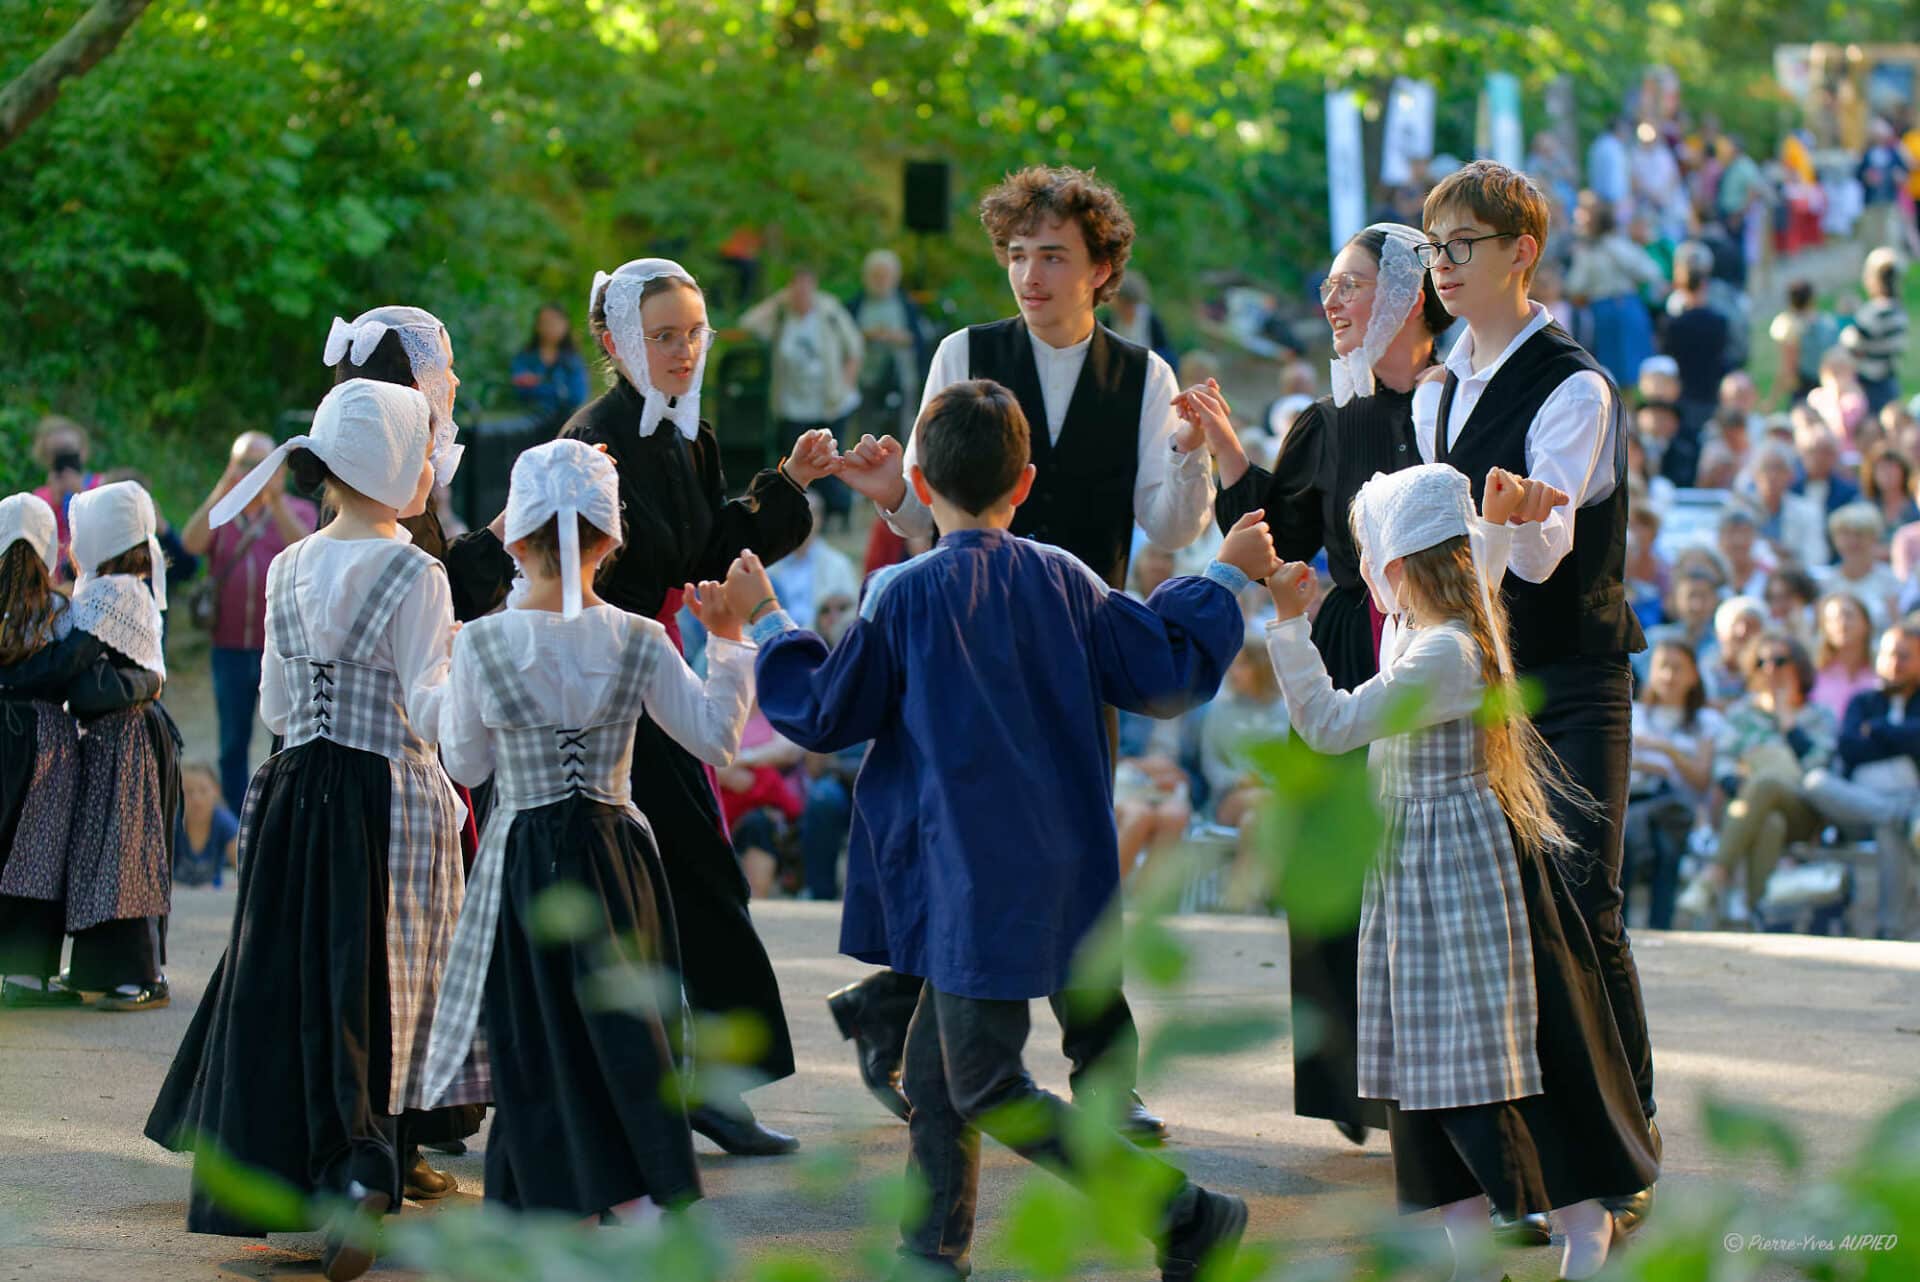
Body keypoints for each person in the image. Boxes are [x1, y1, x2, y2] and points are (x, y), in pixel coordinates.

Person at [752, 378, 1264, 1281]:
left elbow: (827, 712)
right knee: (941, 1075)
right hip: (1058, 862)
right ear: (1025, 482)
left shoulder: (897, 594)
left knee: (985, 1082)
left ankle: (1183, 1215)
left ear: (917, 473)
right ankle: (929, 1252)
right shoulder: (1067, 577)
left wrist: (768, 624)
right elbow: (1166, 671)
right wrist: (1221, 575)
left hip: (966, 876)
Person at [829, 165, 1216, 1139]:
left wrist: (1193, 449)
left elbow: (1169, 522)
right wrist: (888, 491)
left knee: (1081, 857)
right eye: (1016, 255)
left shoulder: (1144, 374)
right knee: (973, 851)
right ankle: (907, 1016)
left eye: (1053, 256)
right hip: (960, 644)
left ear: (1103, 268)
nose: (1030, 274)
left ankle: (1090, 1071)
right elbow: (930, 514)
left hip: (1080, 648)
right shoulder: (964, 349)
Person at [1265, 463, 1657, 1282]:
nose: (1368, 570)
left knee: (1475, 1075)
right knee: (1426, 1080)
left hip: (1455, 872)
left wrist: (1288, 623)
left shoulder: (1446, 650)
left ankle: (1582, 1233)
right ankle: (1477, 1256)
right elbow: (1472, 551)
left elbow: (1333, 725)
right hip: (1414, 868)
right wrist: (1498, 521)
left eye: (1376, 554)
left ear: (1400, 565)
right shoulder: (1427, 622)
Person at [145, 381, 474, 1276]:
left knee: (291, 984)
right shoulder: (417, 571)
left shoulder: (291, 566)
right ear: (404, 467)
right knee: (372, 984)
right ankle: (366, 1164)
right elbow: (435, 713)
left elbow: (280, 702)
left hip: (293, 789)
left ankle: (303, 1175)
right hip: (379, 793)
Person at [1411, 159, 1659, 1231]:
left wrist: (1512, 518)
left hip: (1574, 678)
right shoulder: (1436, 383)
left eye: (1460, 245)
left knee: (1585, 905)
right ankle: (1520, 1163)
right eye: (1433, 249)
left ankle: (1626, 1149)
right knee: (1496, 920)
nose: (1443, 267)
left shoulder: (1574, 383)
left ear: (1522, 252)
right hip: (1482, 683)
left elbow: (1550, 553)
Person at [420, 439, 755, 1221]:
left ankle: (544, 1195)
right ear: (610, 540)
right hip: (615, 852)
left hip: (525, 847)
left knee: (536, 1026)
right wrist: (732, 640)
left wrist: (435, 694)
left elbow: (466, 766)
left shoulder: (482, 642)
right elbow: (715, 739)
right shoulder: (641, 637)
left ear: (515, 539)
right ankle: (639, 1190)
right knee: (624, 1021)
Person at [562, 256, 838, 1155]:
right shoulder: (588, 441)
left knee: (700, 878)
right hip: (599, 683)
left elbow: (710, 548)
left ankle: (710, 1081)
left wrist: (788, 485)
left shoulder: (691, 434)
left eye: (694, 332)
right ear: (615, 343)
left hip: (655, 674)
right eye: (664, 337)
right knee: (625, 892)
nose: (684, 352)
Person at [1196, 221, 1449, 1149]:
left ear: (1404, 296)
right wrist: (1229, 453)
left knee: (1420, 872)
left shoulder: (1453, 403)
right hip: (1347, 642)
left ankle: (1431, 1085)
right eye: (1329, 286)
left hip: (1433, 650)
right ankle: (1348, 1080)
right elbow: (1284, 531)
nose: (1329, 302)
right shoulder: (1327, 417)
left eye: (1348, 286)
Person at [0, 494, 163, 1008]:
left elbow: (80, 665)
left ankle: (44, 974)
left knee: (73, 852)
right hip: (57, 742)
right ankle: (45, 974)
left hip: (103, 740)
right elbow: (70, 666)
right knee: (46, 856)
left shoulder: (102, 600)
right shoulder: (66, 607)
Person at [59, 481, 182, 1013]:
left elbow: (74, 662)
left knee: (126, 853)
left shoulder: (111, 592)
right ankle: (99, 968)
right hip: (121, 735)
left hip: (127, 738)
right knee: (105, 852)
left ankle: (140, 974)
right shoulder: (127, 586)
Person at [324, 305, 519, 623]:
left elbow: (435, 574)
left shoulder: (363, 474)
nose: (454, 382)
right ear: (418, 388)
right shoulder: (390, 489)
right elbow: (431, 600)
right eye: (447, 370)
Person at [180, 431, 319, 814]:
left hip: (283, 648)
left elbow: (308, 548)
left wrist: (274, 499)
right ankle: (238, 822)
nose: (252, 471)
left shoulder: (298, 510)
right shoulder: (225, 511)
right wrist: (225, 487)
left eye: (261, 462)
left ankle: (282, 817)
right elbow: (191, 545)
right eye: (244, 462)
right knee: (232, 742)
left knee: (288, 737)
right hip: (229, 649)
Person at [1678, 634, 1836, 926]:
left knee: (1766, 783)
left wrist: (1788, 722)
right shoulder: (1742, 714)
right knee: (1769, 822)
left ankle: (1713, 874)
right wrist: (1741, 785)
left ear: (1799, 667)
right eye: (1761, 662)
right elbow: (1723, 764)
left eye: (1779, 661)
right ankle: (1759, 918)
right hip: (1750, 807)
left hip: (1803, 809)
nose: (1770, 669)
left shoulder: (1819, 716)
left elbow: (1819, 765)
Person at [1801, 623, 1920, 939]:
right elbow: (1850, 747)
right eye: (1888, 654)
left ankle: (1889, 931)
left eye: (1905, 656)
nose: (1894, 663)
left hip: (1911, 801)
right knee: (1814, 781)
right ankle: (1901, 817)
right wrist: (1899, 738)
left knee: (1888, 825)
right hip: (1859, 805)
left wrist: (1877, 731)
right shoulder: (1862, 701)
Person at [740, 268, 866, 525]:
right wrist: (777, 301)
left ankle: (839, 512)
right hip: (793, 405)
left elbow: (854, 347)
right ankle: (801, 517)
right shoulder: (782, 315)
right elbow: (748, 323)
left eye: (806, 287)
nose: (801, 294)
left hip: (829, 402)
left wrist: (845, 384)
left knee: (831, 462)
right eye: (795, 289)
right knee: (797, 462)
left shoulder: (828, 310)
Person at [1626, 641, 1718, 930]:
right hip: (1637, 803)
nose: (1669, 676)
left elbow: (1701, 780)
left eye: (1678, 668)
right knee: (1629, 842)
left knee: (1667, 847)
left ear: (1694, 675)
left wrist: (1666, 751)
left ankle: (1661, 929)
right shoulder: (1634, 713)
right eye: (1663, 667)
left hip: (1680, 810)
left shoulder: (1705, 722)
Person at [1564, 195, 1662, 387]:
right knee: (1611, 375)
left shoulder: (1614, 246)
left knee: (1634, 372)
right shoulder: (1591, 249)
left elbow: (1649, 271)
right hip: (1604, 311)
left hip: (1620, 309)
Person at [848, 249, 932, 439]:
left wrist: (898, 337)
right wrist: (867, 336)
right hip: (864, 380)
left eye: (885, 276)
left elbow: (919, 339)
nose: (881, 280)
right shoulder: (856, 305)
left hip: (902, 378)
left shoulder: (907, 305)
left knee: (902, 432)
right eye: (876, 276)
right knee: (865, 433)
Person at [765, 489, 860, 632]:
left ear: (820, 519)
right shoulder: (765, 566)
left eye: (810, 513)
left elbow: (851, 617)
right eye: (793, 513)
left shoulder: (838, 565)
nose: (802, 519)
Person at [1842, 248, 1908, 415]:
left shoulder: (1873, 311)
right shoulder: (1898, 310)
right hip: (1889, 379)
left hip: (1869, 384)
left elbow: (1851, 343)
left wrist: (1850, 318)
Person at [509, 302, 591, 424]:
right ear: (537, 325)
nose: (550, 327)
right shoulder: (526, 356)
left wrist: (538, 385)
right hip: (528, 420)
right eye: (545, 322)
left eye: (555, 322)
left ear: (565, 325)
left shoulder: (572, 360)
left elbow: (577, 395)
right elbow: (519, 389)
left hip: (562, 422)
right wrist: (556, 390)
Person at [1818, 506, 1900, 626]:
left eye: (1859, 534)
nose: (1852, 541)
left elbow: (1897, 625)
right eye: (1845, 534)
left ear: (1874, 537)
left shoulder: (1890, 581)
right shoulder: (1825, 583)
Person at [1768, 280, 1841, 407]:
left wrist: (1772, 400)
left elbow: (1788, 368)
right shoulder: (1827, 322)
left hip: (1805, 388)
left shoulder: (1789, 326)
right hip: (1830, 384)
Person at [1809, 591, 1880, 722]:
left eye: (1848, 615)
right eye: (1832, 619)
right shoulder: (1812, 674)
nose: (1842, 624)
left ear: (1867, 623)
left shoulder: (1884, 671)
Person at [173, 761, 238, 890]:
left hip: (212, 898)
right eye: (188, 792)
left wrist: (222, 889)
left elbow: (246, 872)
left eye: (203, 791)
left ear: (216, 792)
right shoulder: (172, 822)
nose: (196, 799)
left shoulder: (224, 822)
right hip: (176, 899)